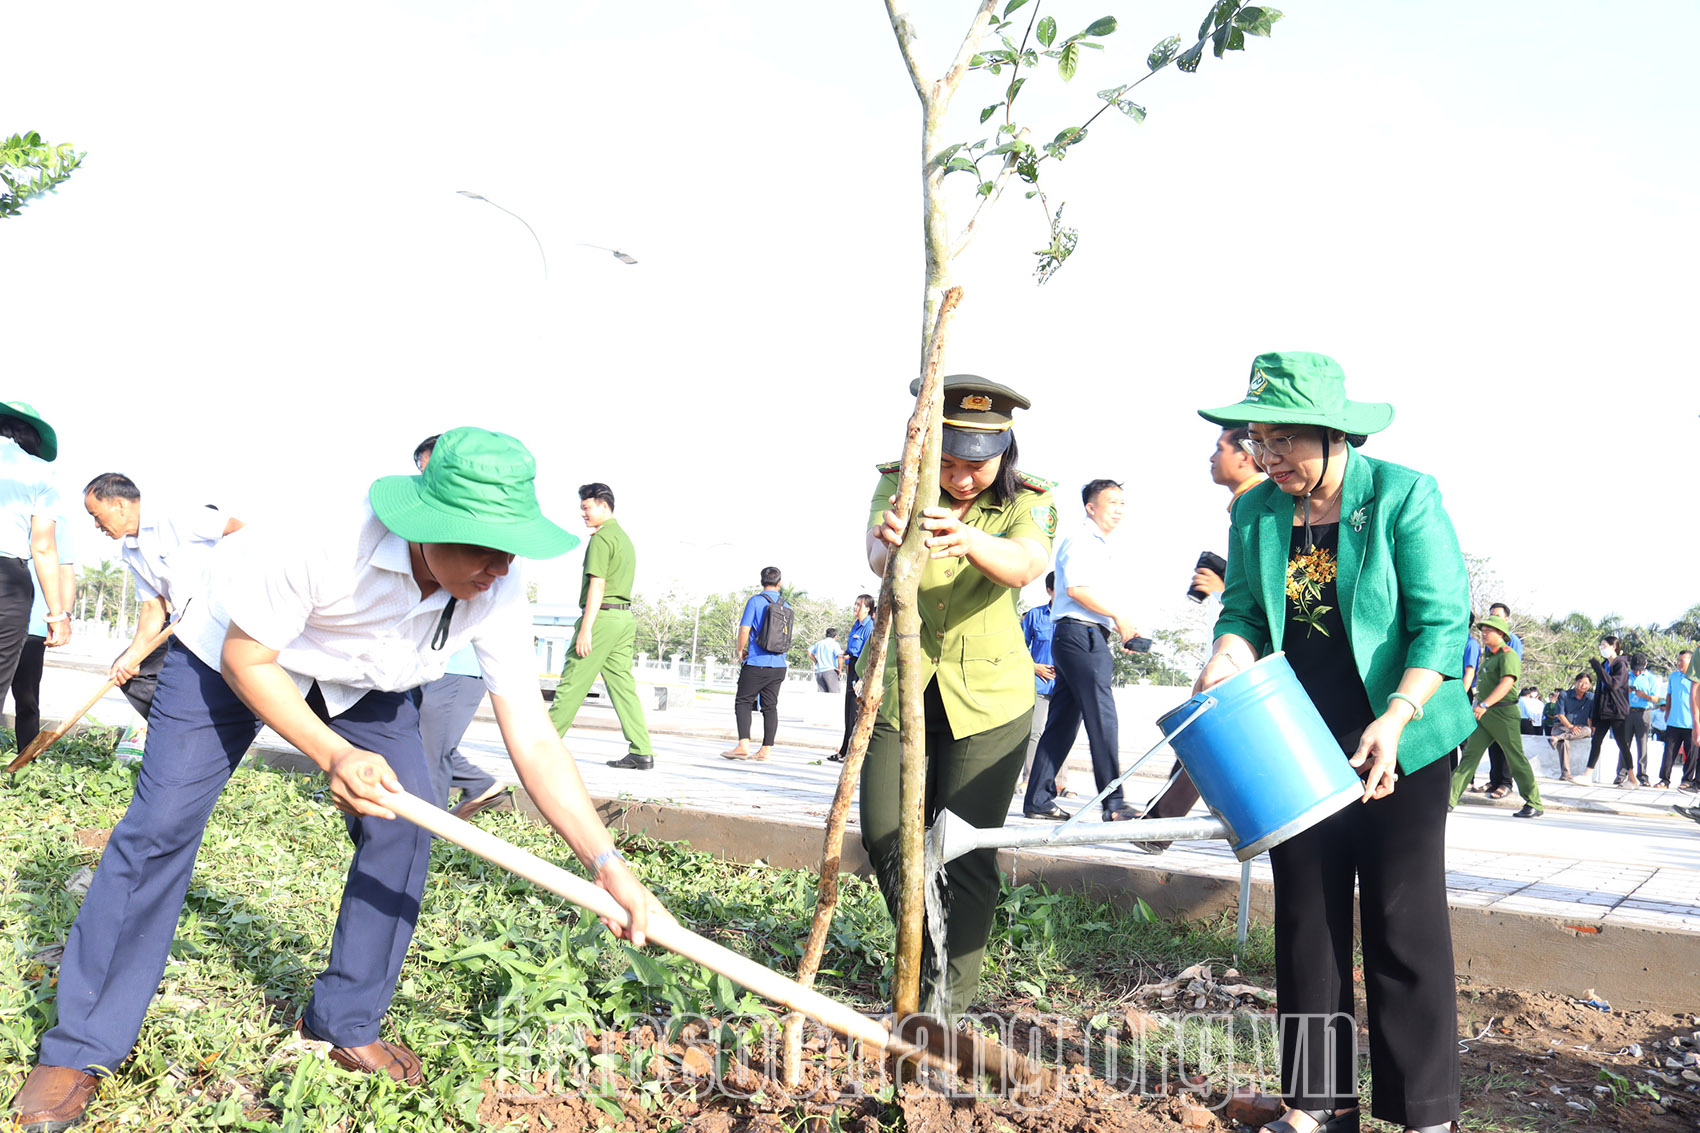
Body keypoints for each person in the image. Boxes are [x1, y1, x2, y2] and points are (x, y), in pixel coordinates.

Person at [7, 428, 666, 1132]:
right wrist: (331, 755)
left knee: (405, 822)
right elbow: (249, 660)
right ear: (425, 524)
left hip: (363, 682)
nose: (499, 566)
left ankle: (345, 1016)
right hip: (234, 653)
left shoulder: (493, 585)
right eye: (482, 545)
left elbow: (532, 735)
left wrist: (606, 862)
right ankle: (80, 1047)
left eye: (510, 547)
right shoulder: (323, 538)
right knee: (160, 826)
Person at [1195, 352, 1473, 1133]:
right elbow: (1244, 612)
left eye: (1284, 440)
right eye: (1257, 438)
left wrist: (1398, 715)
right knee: (1307, 921)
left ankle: (1425, 1115)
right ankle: (1318, 1104)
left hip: (1401, 734)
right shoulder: (1255, 514)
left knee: (1402, 917)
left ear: (1332, 432)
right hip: (1294, 739)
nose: (1267, 456)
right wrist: (1225, 655)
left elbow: (1441, 623)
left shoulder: (1402, 497)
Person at [860, 374, 1054, 1020]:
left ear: (1004, 452)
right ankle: (918, 948)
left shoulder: (1030, 499)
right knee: (886, 829)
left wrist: (969, 538)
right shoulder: (898, 480)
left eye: (975, 464)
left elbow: (1027, 563)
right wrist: (890, 544)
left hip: (991, 698)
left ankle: (945, 1004)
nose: (961, 477)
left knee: (963, 846)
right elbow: (874, 556)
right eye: (946, 462)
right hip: (901, 687)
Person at [1021, 479, 1142, 823]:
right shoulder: (1082, 540)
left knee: (1062, 722)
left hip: (1083, 635)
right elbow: (1075, 590)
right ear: (1091, 507)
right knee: (1103, 719)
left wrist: (1121, 625)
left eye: (1123, 502)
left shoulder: (1099, 545)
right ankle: (1113, 803)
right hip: (1080, 637)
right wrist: (1118, 616)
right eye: (1113, 502)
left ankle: (1039, 800)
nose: (1120, 509)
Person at [83, 473, 245, 722]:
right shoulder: (131, 550)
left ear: (119, 504)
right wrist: (133, 656)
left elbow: (240, 531)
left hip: (227, 618)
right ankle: (175, 727)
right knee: (129, 672)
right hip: (185, 625)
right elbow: (152, 608)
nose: (96, 525)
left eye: (96, 516)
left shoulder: (176, 515)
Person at [409, 436, 506, 815]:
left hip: (458, 668)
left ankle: (428, 831)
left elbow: (533, 740)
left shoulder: (487, 562)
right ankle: (480, 786)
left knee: (432, 751)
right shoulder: (414, 533)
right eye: (423, 471)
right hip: (429, 667)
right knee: (425, 744)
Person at [547, 482, 656, 772]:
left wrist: (586, 628)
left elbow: (598, 583)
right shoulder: (624, 539)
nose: (583, 514)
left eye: (586, 507)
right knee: (622, 686)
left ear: (603, 505)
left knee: (572, 682)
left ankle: (542, 747)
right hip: (624, 619)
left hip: (602, 618)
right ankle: (641, 750)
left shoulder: (602, 539)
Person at [1, 401, 68, 725]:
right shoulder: (41, 473)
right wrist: (57, 614)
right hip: (8, 581)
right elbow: (42, 547)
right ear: (28, 435)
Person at [1449, 616, 1544, 817]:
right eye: (1482, 630)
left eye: (1488, 630)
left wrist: (1484, 704)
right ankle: (1448, 800)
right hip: (1485, 714)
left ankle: (1534, 802)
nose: (1484, 633)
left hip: (1504, 713)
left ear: (1501, 633)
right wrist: (1479, 706)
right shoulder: (1489, 656)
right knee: (1469, 757)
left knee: (1516, 759)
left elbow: (1507, 684)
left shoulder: (1508, 656)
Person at [8, 513, 76, 752]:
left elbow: (65, 572)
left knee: (27, 698)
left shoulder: (56, 523)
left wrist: (63, 615)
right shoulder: (10, 517)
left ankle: (26, 758)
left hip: (35, 623)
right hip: (6, 615)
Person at [1188, 424, 1266, 598]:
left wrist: (1224, 594)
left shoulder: (1259, 503)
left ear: (1245, 457)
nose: (1212, 458)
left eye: (1220, 449)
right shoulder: (1249, 502)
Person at [723, 567, 790, 762]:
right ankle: (765, 750)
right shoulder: (788, 605)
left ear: (762, 582)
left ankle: (743, 745)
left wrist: (740, 650)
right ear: (779, 583)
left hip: (756, 662)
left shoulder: (755, 601)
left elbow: (745, 629)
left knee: (743, 701)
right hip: (779, 664)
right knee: (770, 707)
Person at [1019, 572, 1067, 796]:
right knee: (1035, 733)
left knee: (1062, 733)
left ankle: (1060, 783)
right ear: (1049, 590)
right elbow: (1017, 648)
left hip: (1065, 687)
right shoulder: (1035, 616)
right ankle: (1029, 779)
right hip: (1038, 685)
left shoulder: (1072, 618)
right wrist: (1033, 666)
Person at [830, 593, 876, 762]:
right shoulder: (856, 625)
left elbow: (868, 654)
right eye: (855, 604)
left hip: (860, 670)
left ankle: (851, 751)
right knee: (848, 712)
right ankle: (844, 749)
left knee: (855, 713)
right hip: (852, 667)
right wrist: (846, 654)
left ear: (868, 608)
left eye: (859, 605)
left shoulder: (869, 627)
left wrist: (863, 678)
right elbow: (853, 649)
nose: (855, 607)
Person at [1586, 636, 1633, 785]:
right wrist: (1594, 715)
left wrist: (1597, 668)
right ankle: (1588, 774)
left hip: (1617, 710)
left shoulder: (1621, 665)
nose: (1602, 648)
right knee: (1596, 741)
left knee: (1622, 744)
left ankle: (1632, 776)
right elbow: (1599, 692)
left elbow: (1613, 684)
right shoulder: (1604, 664)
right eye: (1601, 645)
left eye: (1604, 645)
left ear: (1614, 647)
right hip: (1604, 710)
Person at [1550, 672, 1595, 783]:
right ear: (1575, 682)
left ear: (1590, 685)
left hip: (1580, 728)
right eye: (1581, 682)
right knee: (1563, 742)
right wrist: (1570, 727)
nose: (1583, 685)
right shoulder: (1564, 695)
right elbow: (1560, 715)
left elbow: (1591, 717)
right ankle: (1565, 774)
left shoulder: (1591, 698)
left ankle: (1558, 738)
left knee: (1588, 730)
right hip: (1562, 725)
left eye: (1587, 683)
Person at [1625, 652, 1661, 787]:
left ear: (1646, 665)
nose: (1637, 672)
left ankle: (1643, 775)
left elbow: (1656, 699)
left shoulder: (1651, 678)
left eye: (1640, 669)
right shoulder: (1626, 676)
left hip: (1643, 713)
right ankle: (1622, 774)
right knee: (1625, 744)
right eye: (1635, 669)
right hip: (1627, 712)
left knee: (1642, 745)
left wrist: (1644, 695)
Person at [1661, 649, 1693, 789]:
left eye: (1682, 660)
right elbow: (1669, 695)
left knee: (1691, 754)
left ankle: (1687, 780)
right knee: (1668, 753)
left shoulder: (1696, 678)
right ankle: (1664, 780)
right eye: (1678, 660)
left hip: (1691, 723)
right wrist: (1667, 711)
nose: (1679, 663)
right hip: (1674, 722)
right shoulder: (1674, 676)